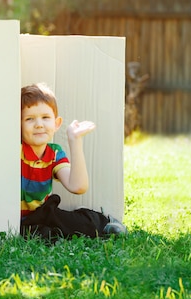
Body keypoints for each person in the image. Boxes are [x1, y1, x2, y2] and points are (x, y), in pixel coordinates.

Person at [20, 83, 126, 238]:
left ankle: (104, 223)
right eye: (29, 119)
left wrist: (75, 140)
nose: (39, 124)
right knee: (43, 235)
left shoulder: (54, 153)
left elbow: (78, 187)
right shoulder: (18, 151)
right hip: (19, 221)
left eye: (45, 117)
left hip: (44, 213)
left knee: (65, 220)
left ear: (56, 124)